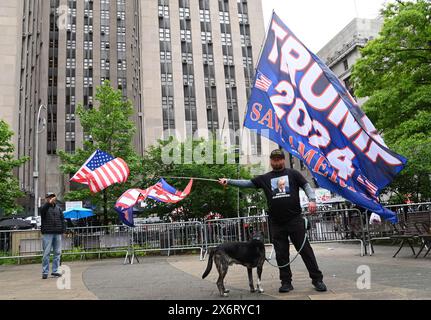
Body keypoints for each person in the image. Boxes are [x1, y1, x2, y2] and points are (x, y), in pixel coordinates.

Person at [219, 149, 327, 293]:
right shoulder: (265, 178)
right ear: (271, 161)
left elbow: (306, 186)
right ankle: (286, 282)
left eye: (279, 159)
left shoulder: (293, 174)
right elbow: (247, 183)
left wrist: (312, 200)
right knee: (281, 254)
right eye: (274, 159)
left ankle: (317, 279)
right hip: (277, 223)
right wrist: (229, 181)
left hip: (295, 220)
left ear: (283, 160)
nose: (276, 161)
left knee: (306, 251)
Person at [40, 192, 66, 279]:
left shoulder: (58, 208)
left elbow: (62, 220)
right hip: (47, 233)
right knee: (46, 253)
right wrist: (48, 203)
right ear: (47, 198)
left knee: (57, 253)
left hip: (57, 232)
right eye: (49, 197)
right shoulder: (44, 208)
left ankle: (55, 271)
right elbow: (43, 212)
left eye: (53, 197)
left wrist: (63, 230)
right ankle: (45, 272)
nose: (51, 198)